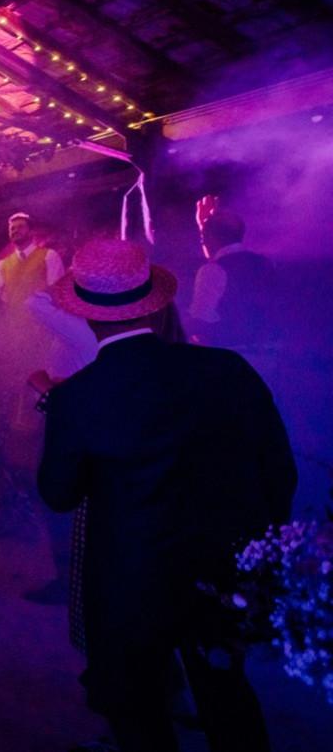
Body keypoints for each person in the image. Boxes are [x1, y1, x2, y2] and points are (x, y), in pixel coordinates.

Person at [39, 239, 296, 752]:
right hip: (222, 573)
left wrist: (67, 428)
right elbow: (280, 471)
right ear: (154, 301)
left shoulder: (76, 396)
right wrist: (257, 549)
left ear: (86, 317)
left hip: (128, 584)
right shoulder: (227, 370)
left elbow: (58, 494)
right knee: (228, 700)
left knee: (140, 716)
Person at [189, 210, 278, 364]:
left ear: (211, 237)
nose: (203, 242)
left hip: (232, 356)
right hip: (271, 354)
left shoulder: (212, 270)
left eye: (203, 237)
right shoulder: (266, 263)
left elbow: (201, 318)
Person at [0, 212, 65, 307]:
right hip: (13, 321)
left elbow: (57, 290)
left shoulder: (49, 255)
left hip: (43, 319)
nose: (15, 230)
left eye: (20, 227)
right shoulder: (3, 264)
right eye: (12, 228)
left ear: (31, 231)